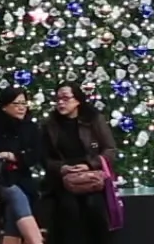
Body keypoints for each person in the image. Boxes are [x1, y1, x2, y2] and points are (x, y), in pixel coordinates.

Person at [40, 84, 117, 244]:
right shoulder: (50, 124)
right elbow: (44, 157)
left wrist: (89, 164)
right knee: (69, 211)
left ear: (78, 100)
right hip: (64, 180)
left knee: (94, 208)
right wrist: (62, 168)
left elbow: (110, 149)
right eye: (58, 99)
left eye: (66, 99)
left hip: (92, 177)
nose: (61, 103)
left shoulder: (93, 119)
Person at [0, 87, 45, 244]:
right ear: (4, 106)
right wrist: (14, 159)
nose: (22, 107)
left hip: (22, 177)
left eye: (24, 103)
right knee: (16, 195)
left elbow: (34, 156)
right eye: (16, 103)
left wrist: (11, 156)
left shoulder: (30, 127)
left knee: (13, 212)